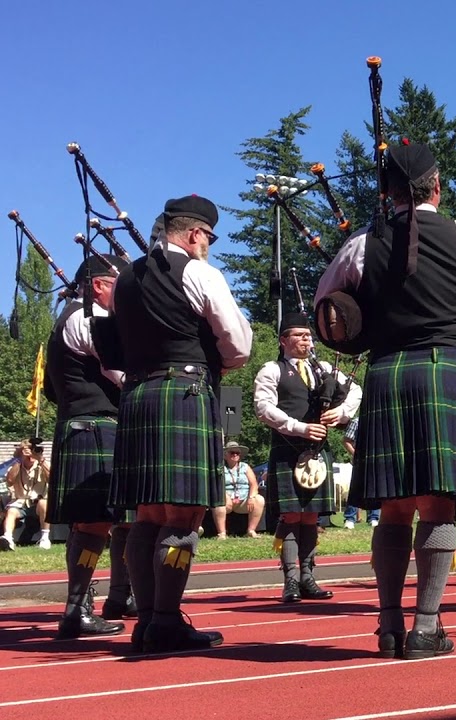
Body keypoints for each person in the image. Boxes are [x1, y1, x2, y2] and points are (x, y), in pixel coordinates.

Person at [314, 141, 456, 660]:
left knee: (394, 508)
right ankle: (426, 627)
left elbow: (325, 308)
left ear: (389, 193)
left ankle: (388, 624)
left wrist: (362, 328)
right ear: (436, 186)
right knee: (438, 504)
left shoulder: (361, 245)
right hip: (443, 370)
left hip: (384, 372)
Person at [105, 195, 253, 652]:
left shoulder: (125, 280)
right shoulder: (199, 272)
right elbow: (239, 344)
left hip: (137, 395)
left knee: (147, 514)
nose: (209, 244)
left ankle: (147, 621)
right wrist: (219, 366)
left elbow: (114, 343)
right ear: (194, 234)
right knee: (184, 515)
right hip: (184, 393)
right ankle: (166, 620)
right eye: (209, 236)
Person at [41, 254, 134, 639]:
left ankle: (119, 596)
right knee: (94, 523)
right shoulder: (85, 319)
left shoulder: (71, 318)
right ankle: (76, 608)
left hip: (94, 425)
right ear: (98, 285)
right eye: (118, 285)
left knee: (122, 518)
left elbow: (49, 390)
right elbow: (123, 375)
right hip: (94, 427)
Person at [254, 312, 362, 603]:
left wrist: (341, 413)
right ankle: (290, 581)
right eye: (300, 335)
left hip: (318, 451)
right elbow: (263, 407)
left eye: (308, 335)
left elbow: (356, 392)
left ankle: (308, 577)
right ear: (284, 340)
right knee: (291, 515)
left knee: (312, 516)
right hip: (287, 449)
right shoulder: (271, 370)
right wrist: (299, 427)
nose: (307, 340)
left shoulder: (323, 368)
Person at [1, 439, 51, 550]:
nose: (31, 454)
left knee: (44, 503)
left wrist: (41, 460)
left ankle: (45, 538)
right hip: (21, 503)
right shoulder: (16, 466)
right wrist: (20, 460)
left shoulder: (43, 465)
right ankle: (8, 538)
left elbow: (52, 479)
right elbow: (10, 480)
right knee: (11, 511)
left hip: (38, 503)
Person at [213, 442, 264, 539]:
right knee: (218, 502)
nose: (235, 455)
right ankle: (222, 533)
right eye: (232, 452)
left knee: (260, 499)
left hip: (244, 500)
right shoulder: (220, 468)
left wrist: (251, 497)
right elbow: (216, 485)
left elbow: (254, 484)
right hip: (226, 500)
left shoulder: (245, 467)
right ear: (225, 455)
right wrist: (224, 495)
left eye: (237, 453)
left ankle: (251, 530)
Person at [341, 418, 379, 528]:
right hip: (360, 461)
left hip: (376, 459)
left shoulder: (378, 420)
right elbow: (346, 440)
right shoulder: (357, 421)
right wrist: (356, 454)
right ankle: (350, 519)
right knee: (356, 488)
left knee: (375, 489)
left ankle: (373, 518)